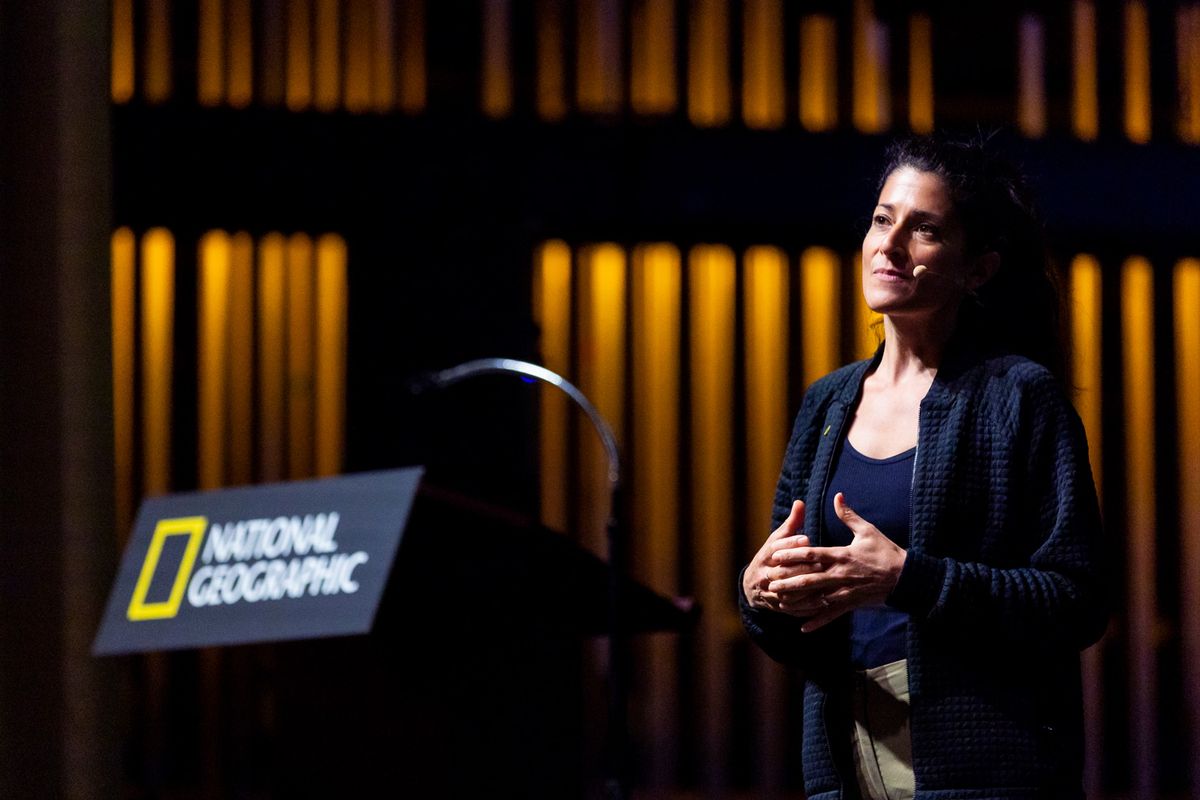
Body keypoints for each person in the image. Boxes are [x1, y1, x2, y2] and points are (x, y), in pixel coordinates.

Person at [739, 133, 1109, 800]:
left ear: (978, 269)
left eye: (925, 228)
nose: (890, 243)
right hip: (845, 751)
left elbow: (1076, 602)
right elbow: (800, 617)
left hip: (980, 767)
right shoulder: (827, 403)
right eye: (882, 219)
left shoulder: (1019, 396)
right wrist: (761, 595)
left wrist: (910, 578)